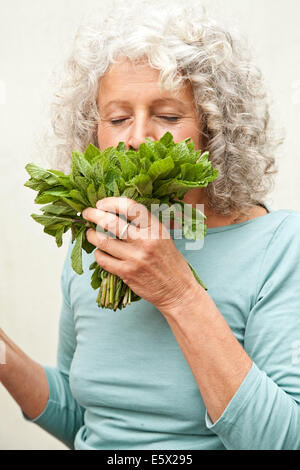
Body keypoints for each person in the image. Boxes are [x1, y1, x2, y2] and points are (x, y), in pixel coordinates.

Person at [1, 0, 300, 450]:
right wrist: (5, 360)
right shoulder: (96, 241)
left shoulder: (280, 247)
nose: (138, 137)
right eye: (118, 118)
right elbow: (88, 419)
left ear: (215, 130)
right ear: (93, 131)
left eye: (168, 116)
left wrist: (178, 293)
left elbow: (284, 441)